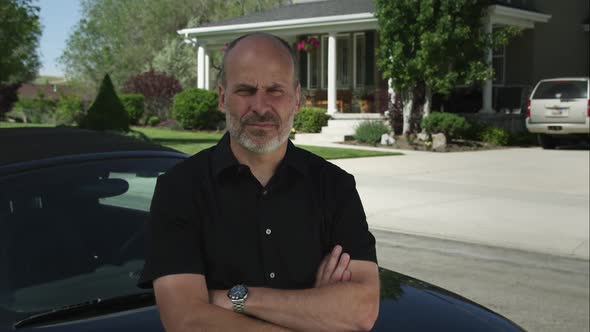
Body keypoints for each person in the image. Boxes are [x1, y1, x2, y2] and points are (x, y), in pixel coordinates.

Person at [139, 32, 380, 331]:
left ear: (298, 100)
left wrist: (236, 299)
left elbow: (362, 310)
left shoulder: (335, 187)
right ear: (222, 97)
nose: (261, 106)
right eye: (245, 90)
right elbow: (186, 320)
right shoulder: (179, 189)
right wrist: (316, 311)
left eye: (275, 90)